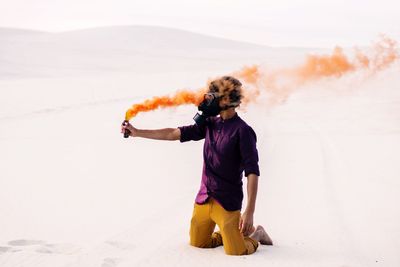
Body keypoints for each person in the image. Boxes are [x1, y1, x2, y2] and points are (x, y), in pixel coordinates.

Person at [121, 76, 273, 255]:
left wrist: (249, 211)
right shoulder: (209, 123)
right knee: (198, 242)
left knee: (236, 251)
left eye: (211, 96)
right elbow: (173, 134)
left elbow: (252, 172)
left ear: (226, 100)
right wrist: (137, 133)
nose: (206, 100)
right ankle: (228, 233)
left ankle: (256, 234)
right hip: (204, 198)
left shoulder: (243, 131)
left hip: (227, 202)